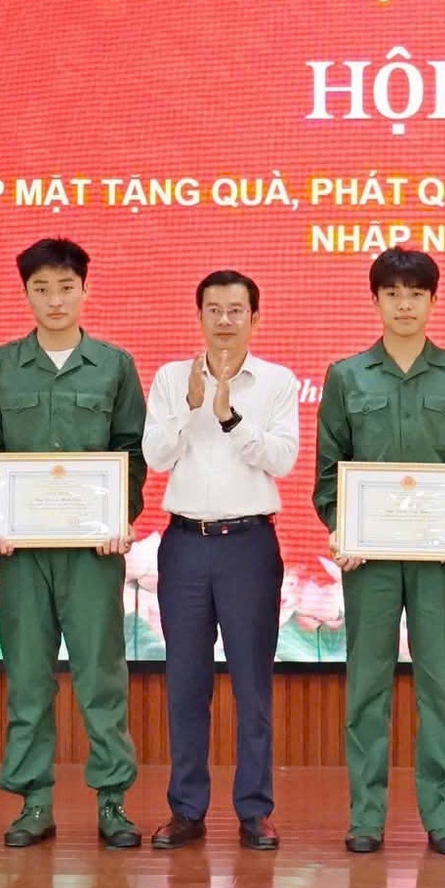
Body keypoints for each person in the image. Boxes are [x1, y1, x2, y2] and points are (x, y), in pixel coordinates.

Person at [314, 247, 445, 856]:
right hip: (368, 559)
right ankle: (366, 817)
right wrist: (341, 526)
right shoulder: (347, 376)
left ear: (433, 301)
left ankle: (444, 816)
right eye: (392, 293)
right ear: (375, 300)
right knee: (367, 683)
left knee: (438, 684)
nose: (404, 305)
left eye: (416, 294)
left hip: (437, 559)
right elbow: (329, 470)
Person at [0, 238, 148, 849]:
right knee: (28, 675)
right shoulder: (0, 366)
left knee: (101, 674)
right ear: (26, 294)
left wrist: (120, 516)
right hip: (21, 552)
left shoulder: (115, 365)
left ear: (85, 290)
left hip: (93, 553)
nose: (55, 300)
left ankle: (113, 801)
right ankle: (33, 802)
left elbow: (130, 452)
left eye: (66, 287)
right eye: (41, 289)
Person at [143, 270, 299, 852]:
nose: (225, 320)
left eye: (237, 310)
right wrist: (191, 407)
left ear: (256, 318)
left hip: (248, 545)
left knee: (252, 684)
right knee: (186, 682)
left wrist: (231, 417)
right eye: (214, 309)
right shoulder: (169, 379)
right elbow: (155, 456)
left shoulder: (277, 382)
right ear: (199, 316)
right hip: (185, 543)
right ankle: (186, 810)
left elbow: (282, 460)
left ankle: (255, 810)